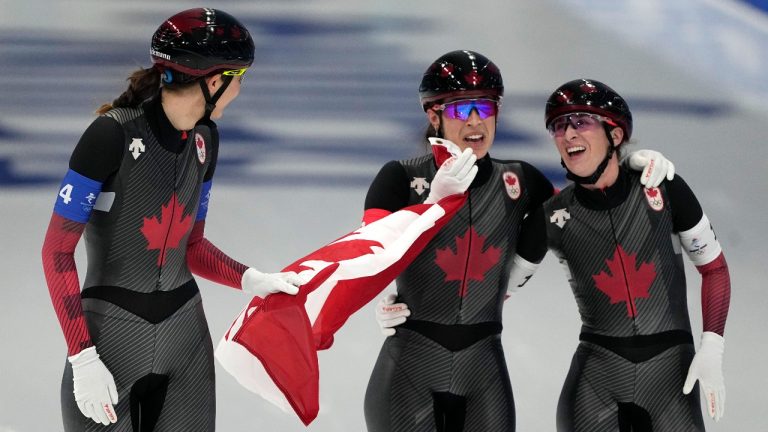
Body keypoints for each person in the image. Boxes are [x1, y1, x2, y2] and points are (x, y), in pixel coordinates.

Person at [377, 77, 729, 431]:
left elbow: (713, 268)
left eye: (581, 122)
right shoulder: (551, 215)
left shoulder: (664, 189)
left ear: (616, 134)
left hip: (671, 380)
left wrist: (712, 343)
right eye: (559, 126)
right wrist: (407, 303)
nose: (568, 134)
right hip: (596, 388)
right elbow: (492, 287)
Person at [41, 8, 304, 431]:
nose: (239, 92)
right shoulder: (110, 135)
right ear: (214, 81)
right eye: (239, 80)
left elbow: (192, 246)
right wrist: (82, 355)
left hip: (185, 338)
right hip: (110, 341)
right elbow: (56, 252)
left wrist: (249, 278)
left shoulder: (205, 140)